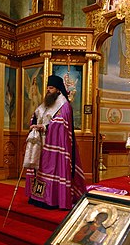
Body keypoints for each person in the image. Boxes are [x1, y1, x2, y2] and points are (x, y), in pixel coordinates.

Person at [25, 75, 86, 210]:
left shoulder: (64, 105)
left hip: (54, 147)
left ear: (58, 90)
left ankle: (52, 199)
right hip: (40, 144)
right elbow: (36, 115)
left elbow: (60, 124)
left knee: (51, 169)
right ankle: (36, 197)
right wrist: (34, 124)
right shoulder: (46, 103)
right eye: (47, 87)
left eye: (51, 88)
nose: (48, 90)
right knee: (39, 169)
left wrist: (43, 127)